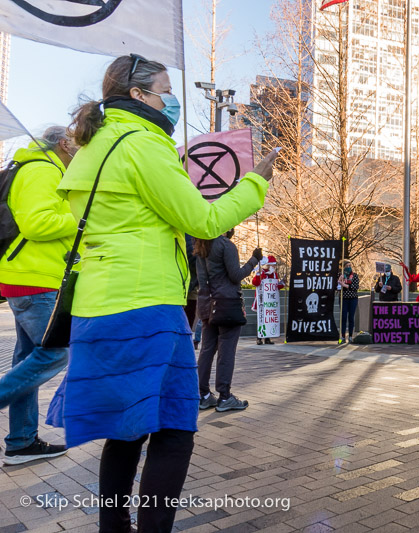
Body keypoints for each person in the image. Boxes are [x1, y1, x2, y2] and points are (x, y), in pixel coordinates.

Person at [45, 54, 276, 533]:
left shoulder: (96, 147)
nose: (170, 99)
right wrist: (256, 183)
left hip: (99, 305)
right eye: (165, 90)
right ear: (138, 95)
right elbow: (206, 220)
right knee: (174, 428)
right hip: (144, 306)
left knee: (127, 431)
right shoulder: (142, 146)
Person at [0, 127, 77, 465]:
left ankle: (21, 441)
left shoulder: (40, 168)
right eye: (78, 141)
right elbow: (37, 224)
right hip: (35, 278)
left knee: (28, 359)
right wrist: (83, 219)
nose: (81, 148)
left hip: (30, 276)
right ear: (64, 143)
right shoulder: (42, 169)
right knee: (56, 354)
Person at [196, 231, 260, 412]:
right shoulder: (225, 245)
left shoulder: (200, 243)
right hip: (226, 303)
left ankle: (204, 395)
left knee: (207, 350)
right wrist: (254, 259)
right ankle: (225, 397)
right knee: (226, 350)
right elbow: (236, 275)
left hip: (206, 303)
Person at [252, 254, 284, 345]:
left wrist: (282, 284)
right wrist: (258, 275)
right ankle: (259, 337)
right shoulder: (261, 272)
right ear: (268, 265)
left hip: (270, 300)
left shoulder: (274, 274)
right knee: (261, 318)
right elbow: (255, 283)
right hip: (262, 300)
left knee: (268, 319)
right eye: (273, 265)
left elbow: (275, 287)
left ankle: (267, 338)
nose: (274, 267)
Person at [184, 234, 201, 349]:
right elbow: (192, 257)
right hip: (188, 283)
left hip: (191, 282)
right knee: (187, 317)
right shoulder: (189, 234)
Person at [339, 260, 360, 343]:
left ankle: (350, 335)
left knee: (351, 317)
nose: (349, 267)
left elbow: (355, 286)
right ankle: (343, 336)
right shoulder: (341, 275)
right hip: (344, 298)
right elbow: (338, 287)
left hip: (353, 298)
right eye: (347, 266)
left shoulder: (354, 276)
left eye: (350, 266)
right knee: (343, 317)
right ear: (343, 267)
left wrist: (346, 285)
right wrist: (340, 281)